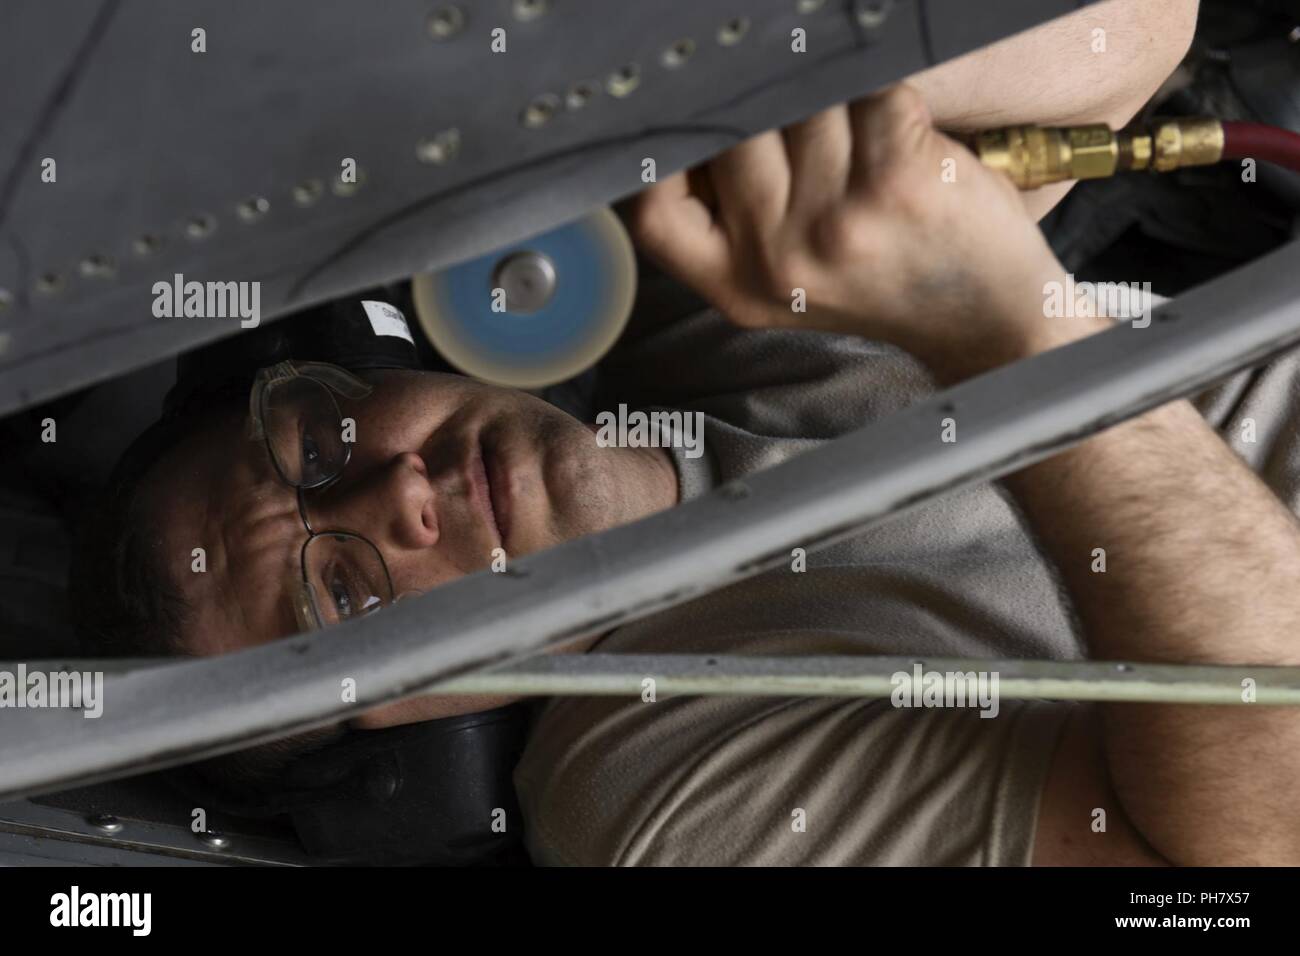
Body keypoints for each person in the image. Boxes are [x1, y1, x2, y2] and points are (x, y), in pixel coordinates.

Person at [82, 0, 1295, 865]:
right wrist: (1015, 342)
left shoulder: (693, 297)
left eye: (318, 452)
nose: (399, 493)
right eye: (344, 592)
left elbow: (1128, 32)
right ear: (404, 715)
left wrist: (741, 79)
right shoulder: (648, 791)